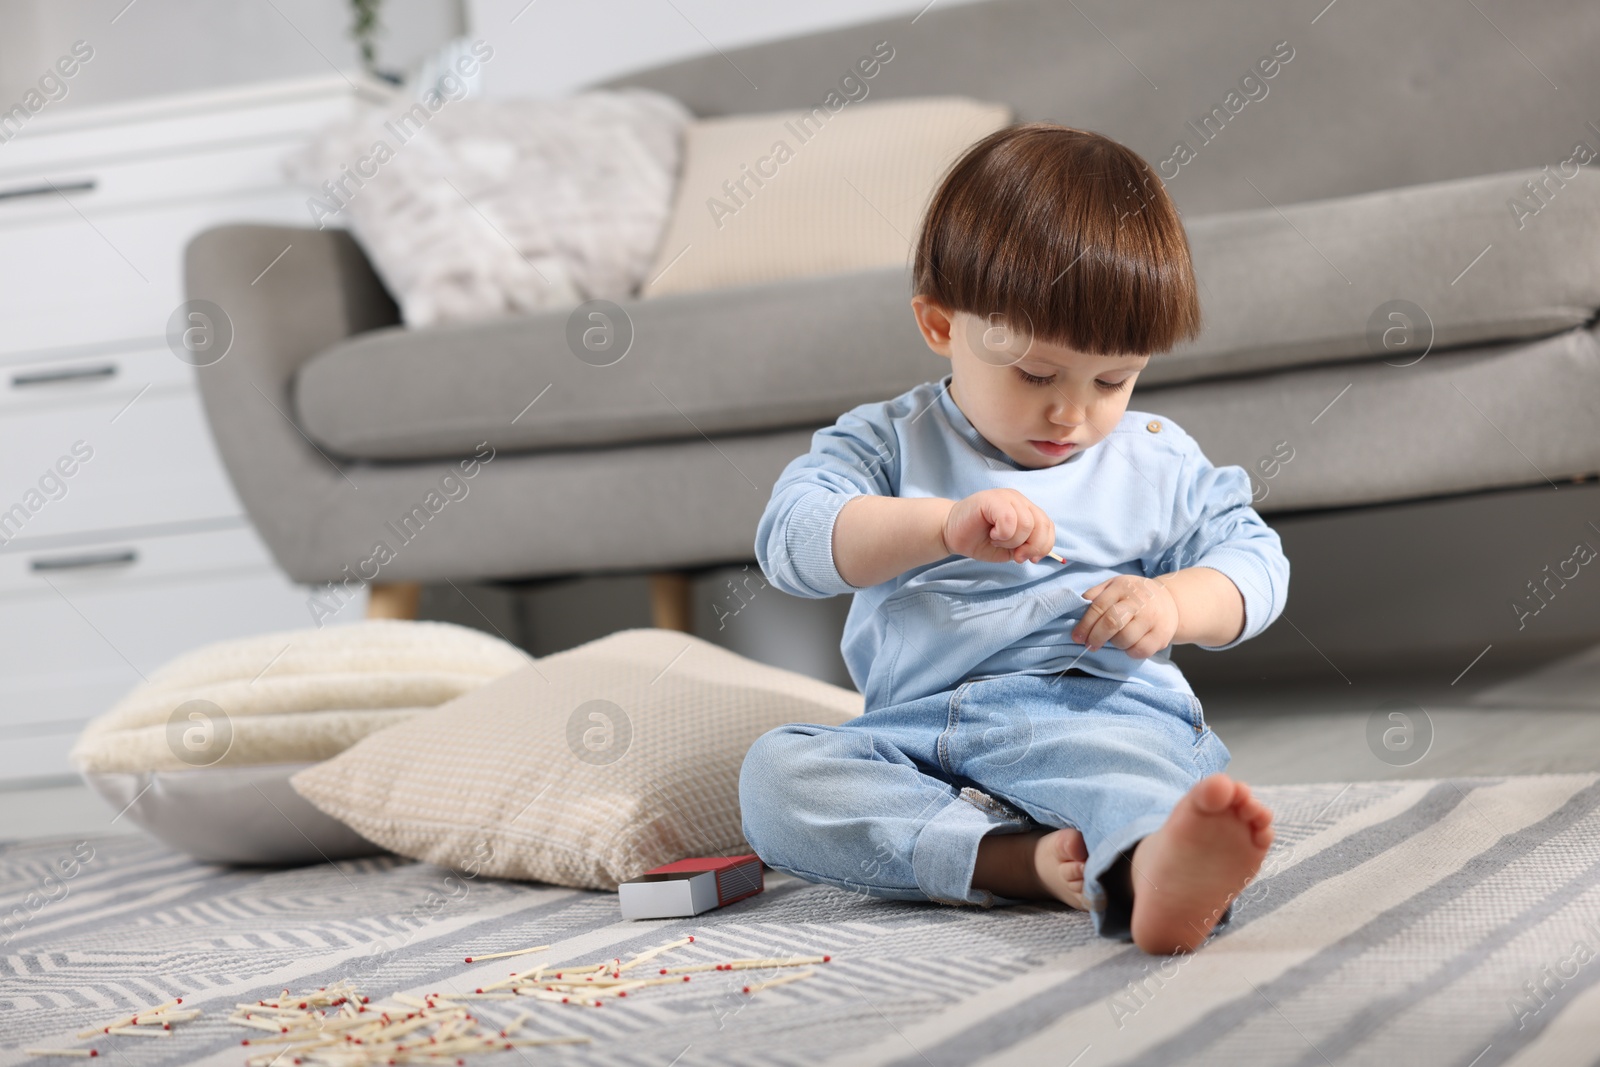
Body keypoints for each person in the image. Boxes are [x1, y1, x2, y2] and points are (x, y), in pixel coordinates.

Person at [738, 123, 1289, 954]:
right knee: (776, 779)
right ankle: (1013, 861)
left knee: (1133, 778)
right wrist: (942, 526)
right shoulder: (887, 443)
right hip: (916, 733)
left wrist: (1171, 602)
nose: (1072, 412)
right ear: (939, 324)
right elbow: (792, 538)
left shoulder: (1150, 457)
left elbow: (1256, 562)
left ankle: (1152, 872)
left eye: (1113, 378)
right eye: (1036, 375)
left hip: (1093, 711)